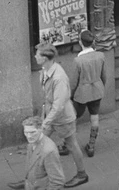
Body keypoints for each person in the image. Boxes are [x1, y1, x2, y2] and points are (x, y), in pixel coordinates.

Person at [33, 44, 88, 187]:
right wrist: (44, 115)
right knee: (38, 141)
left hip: (63, 118)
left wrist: (46, 121)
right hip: (51, 114)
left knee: (72, 145)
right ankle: (35, 174)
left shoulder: (59, 77)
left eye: (37, 54)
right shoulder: (46, 70)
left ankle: (82, 174)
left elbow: (59, 105)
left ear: (45, 58)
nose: (35, 56)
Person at [70, 29, 106, 158]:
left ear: (80, 42)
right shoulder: (100, 56)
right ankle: (91, 145)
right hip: (97, 89)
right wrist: (101, 86)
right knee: (94, 116)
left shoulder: (78, 61)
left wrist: (71, 94)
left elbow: (74, 82)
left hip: (82, 93)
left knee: (73, 117)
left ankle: (68, 143)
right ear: (93, 42)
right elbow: (104, 75)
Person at [7, 115, 66, 190]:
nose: (29, 136)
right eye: (26, 132)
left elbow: (57, 181)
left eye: (32, 132)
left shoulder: (48, 151)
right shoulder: (32, 143)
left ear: (41, 129)